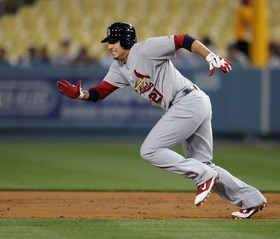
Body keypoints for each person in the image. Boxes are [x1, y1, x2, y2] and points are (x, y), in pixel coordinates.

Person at [56, 22, 267, 219]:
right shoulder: (119, 67)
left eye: (113, 41)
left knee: (150, 150)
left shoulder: (146, 49)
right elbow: (100, 92)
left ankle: (203, 176)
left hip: (188, 101)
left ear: (127, 41)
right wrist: (80, 94)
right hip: (191, 103)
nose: (109, 46)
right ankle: (252, 199)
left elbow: (183, 39)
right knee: (203, 164)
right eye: (109, 42)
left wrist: (210, 56)